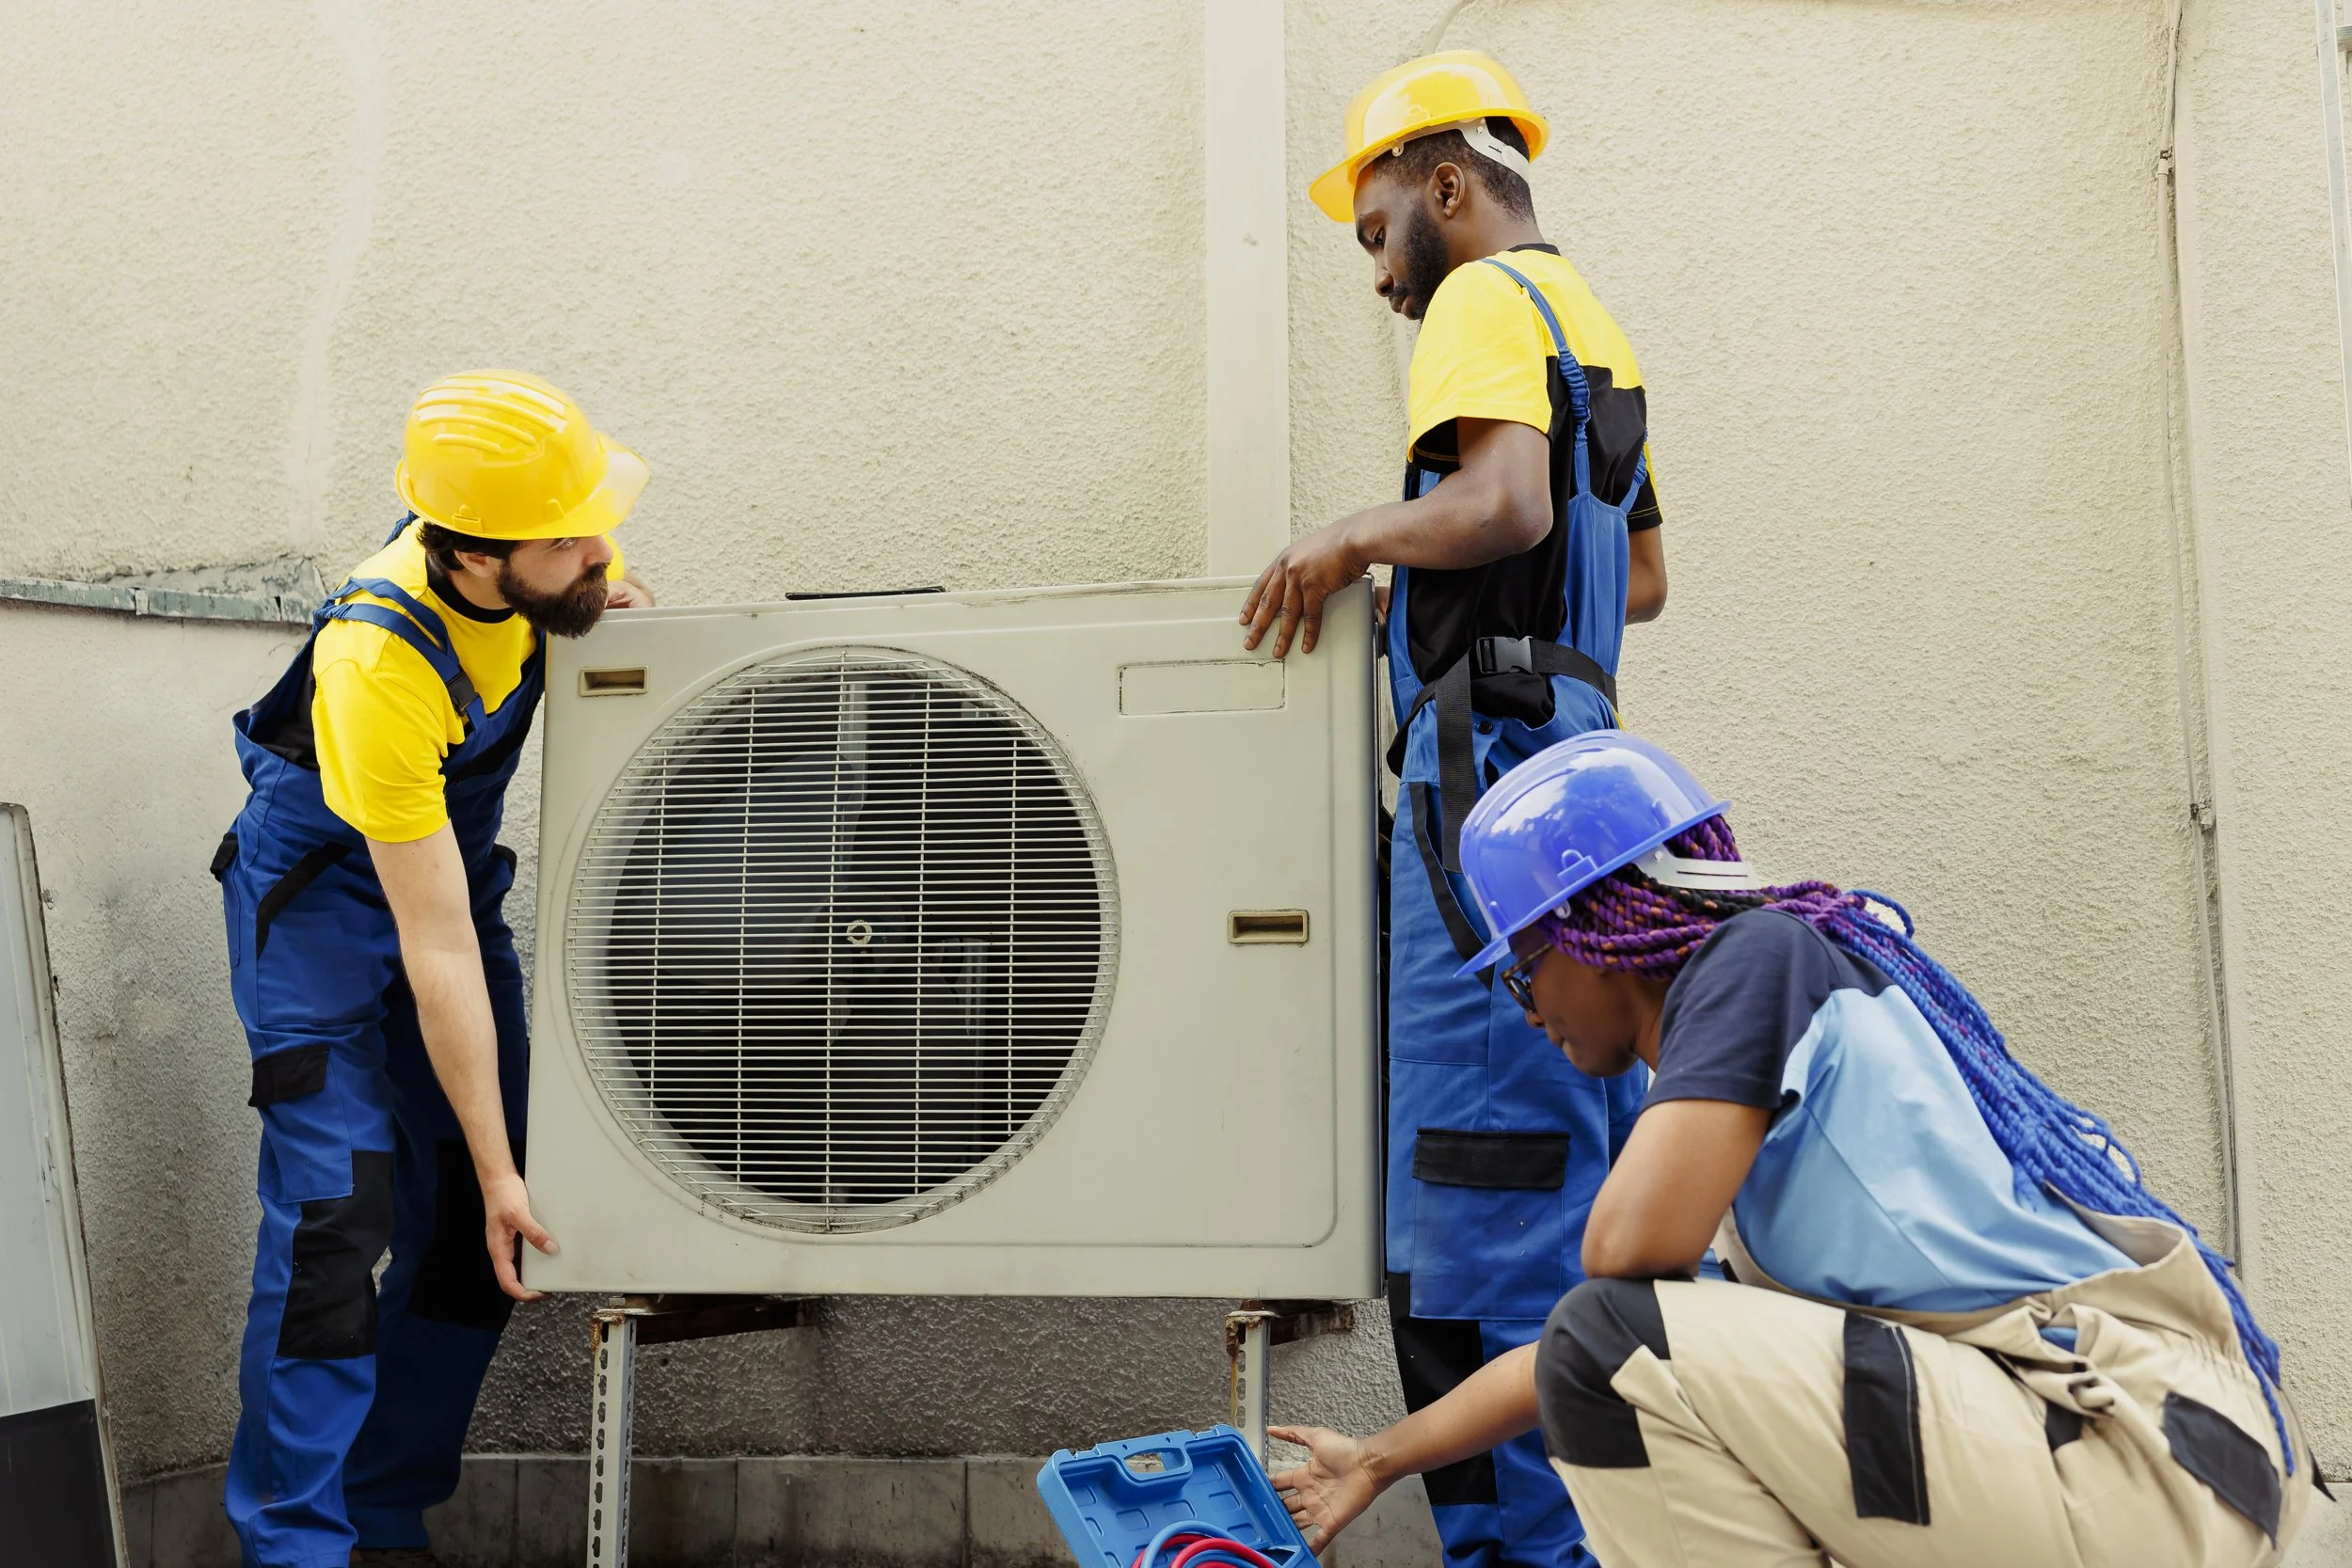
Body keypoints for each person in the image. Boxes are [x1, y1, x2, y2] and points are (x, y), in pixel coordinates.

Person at [1270, 731, 2314, 1567]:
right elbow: (1636, 1339)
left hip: (2122, 1457)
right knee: (1637, 1347)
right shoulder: (1785, 1035)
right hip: (2157, 1458)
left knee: (1616, 1334)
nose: (1524, 1005)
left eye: (1520, 967)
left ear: (1587, 926)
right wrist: (1377, 1456)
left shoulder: (1751, 958)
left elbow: (1614, 1278)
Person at [1240, 50, 1667, 1568]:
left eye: (1373, 233)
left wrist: (1354, 533)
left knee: (1476, 1214)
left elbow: (1507, 507)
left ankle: (1530, 1557)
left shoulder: (1485, 298)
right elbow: (1646, 578)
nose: (1377, 278)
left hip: (1488, 790)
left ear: (1445, 185)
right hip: (1588, 782)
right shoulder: (1588, 318)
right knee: (1584, 1211)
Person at [211, 371, 656, 1566]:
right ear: (472, 556)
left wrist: (601, 599)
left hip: (447, 896)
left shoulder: (526, 575)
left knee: (478, 1221)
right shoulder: (379, 663)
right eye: (571, 538)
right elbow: (435, 941)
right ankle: (297, 1544)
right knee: (334, 1222)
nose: (601, 547)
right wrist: (506, 1159)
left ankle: (384, 1511)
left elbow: (456, 916)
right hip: (326, 921)